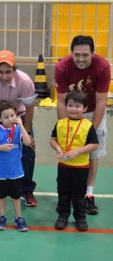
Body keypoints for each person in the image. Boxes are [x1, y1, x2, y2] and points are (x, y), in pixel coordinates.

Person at [54, 35, 111, 215]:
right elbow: (62, 101)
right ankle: (68, 195)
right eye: (77, 54)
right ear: (71, 53)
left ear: (93, 53)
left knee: (92, 154)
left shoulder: (103, 66)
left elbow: (102, 101)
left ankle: (88, 194)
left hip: (94, 111)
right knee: (68, 150)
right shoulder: (62, 67)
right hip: (70, 111)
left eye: (85, 55)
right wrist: (65, 128)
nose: (80, 59)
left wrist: (90, 130)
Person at [0, 49, 38, 206]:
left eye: (8, 72)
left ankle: (27, 189)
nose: (4, 76)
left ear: (15, 69)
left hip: (18, 115)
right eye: (0, 72)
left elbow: (29, 107)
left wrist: (27, 131)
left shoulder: (24, 81)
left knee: (28, 150)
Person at [50, 91, 99, 231]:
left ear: (84, 108)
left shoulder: (88, 125)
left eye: (77, 106)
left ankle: (80, 217)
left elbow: (94, 144)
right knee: (63, 192)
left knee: (78, 194)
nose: (73, 109)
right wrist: (58, 148)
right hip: (64, 166)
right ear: (66, 106)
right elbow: (53, 139)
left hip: (81, 167)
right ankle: (63, 215)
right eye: (70, 105)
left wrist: (78, 151)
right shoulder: (60, 123)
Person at [0, 99, 31, 232]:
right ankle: (1, 217)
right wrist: (1, 147)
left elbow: (28, 143)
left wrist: (22, 126)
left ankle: (19, 218)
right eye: (6, 117)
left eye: (12, 116)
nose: (10, 119)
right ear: (0, 118)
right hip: (0, 173)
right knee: (0, 197)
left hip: (16, 172)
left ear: (16, 115)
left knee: (16, 196)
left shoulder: (18, 130)